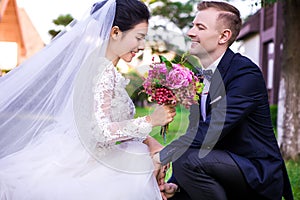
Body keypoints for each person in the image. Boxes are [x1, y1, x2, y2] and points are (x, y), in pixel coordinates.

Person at [0, 0, 175, 199]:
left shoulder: (101, 67)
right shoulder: (103, 72)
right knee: (138, 164)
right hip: (81, 163)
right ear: (116, 32)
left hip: (84, 154)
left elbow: (107, 124)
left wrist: (150, 142)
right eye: (138, 37)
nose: (142, 46)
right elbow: (100, 131)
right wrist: (151, 120)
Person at [153, 1, 294, 200]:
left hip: (256, 172)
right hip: (219, 165)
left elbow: (212, 129)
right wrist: (175, 183)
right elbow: (196, 134)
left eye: (200, 27)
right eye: (193, 25)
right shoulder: (199, 77)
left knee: (184, 157)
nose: (191, 33)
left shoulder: (245, 73)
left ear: (224, 36)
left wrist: (163, 155)